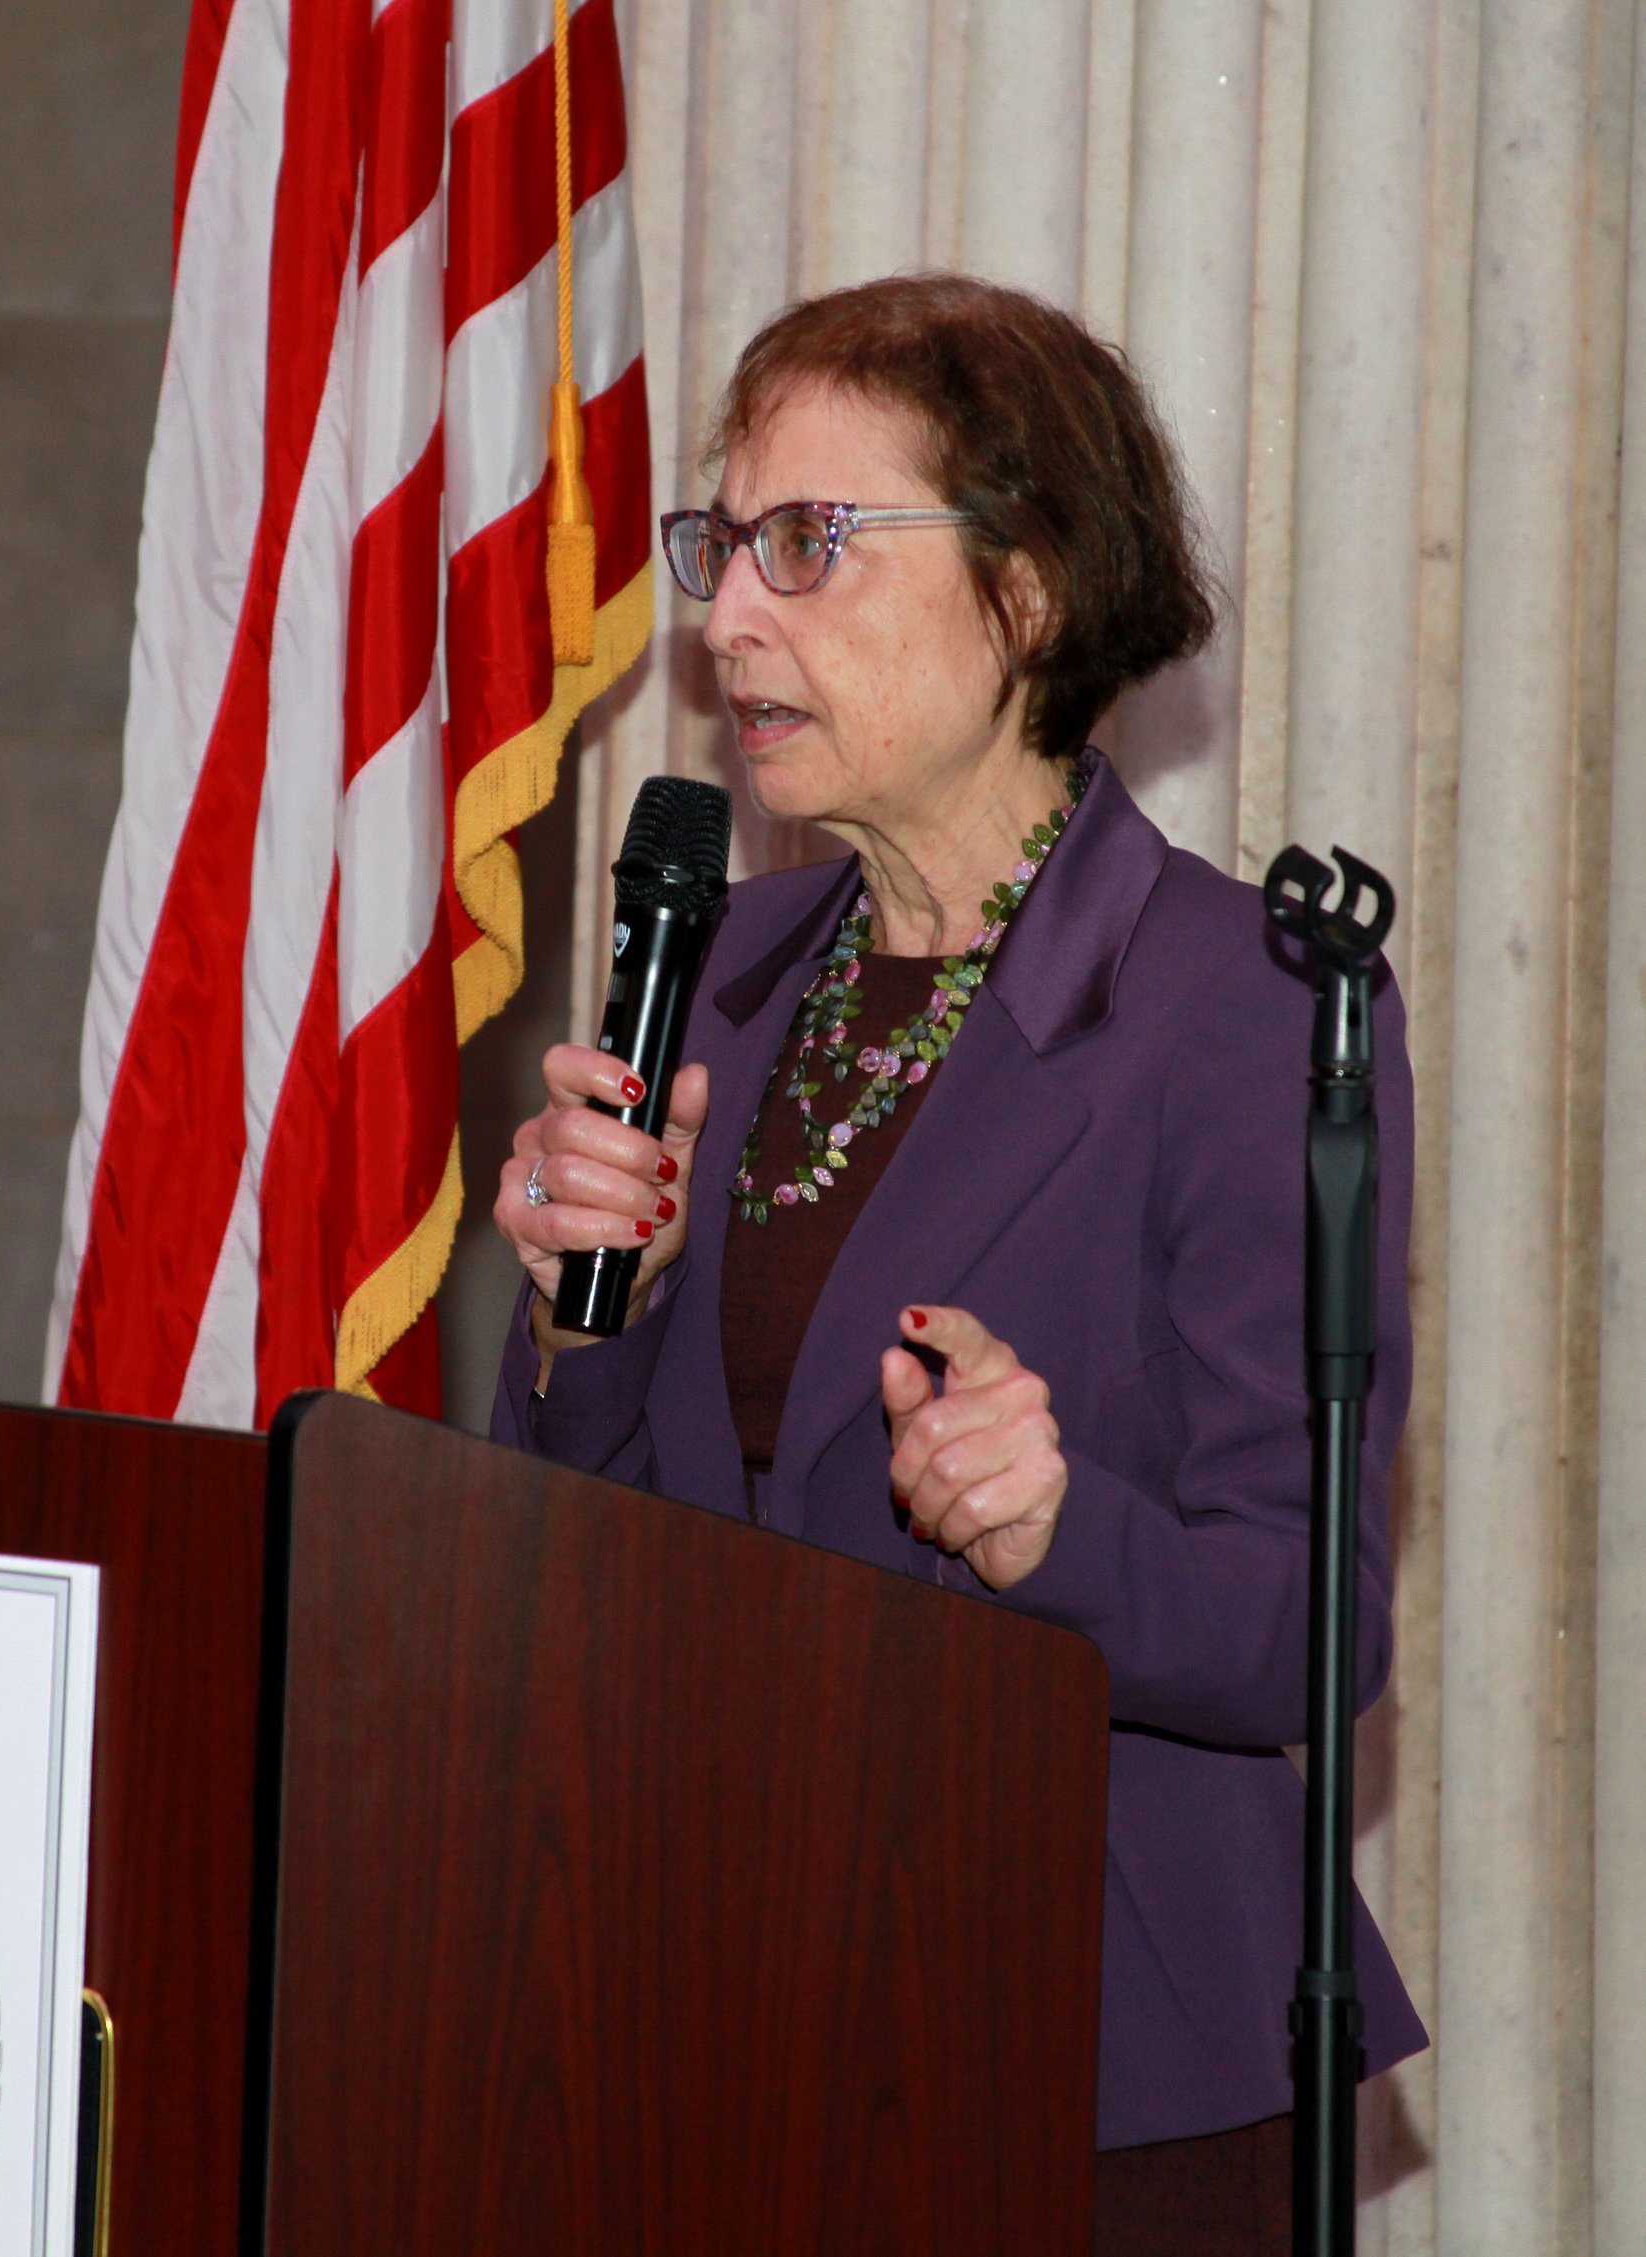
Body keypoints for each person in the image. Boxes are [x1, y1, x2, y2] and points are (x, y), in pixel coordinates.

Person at [491, 273, 1424, 2251]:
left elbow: (1304, 1621)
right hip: (707, 2001)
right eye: (720, 548)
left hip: (1075, 2048)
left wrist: (1053, 1526)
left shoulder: (1234, 1008)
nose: (730, 615)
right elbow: (602, 1555)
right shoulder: (724, 981)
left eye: (808, 545)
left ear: (1023, 590)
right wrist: (594, 1325)